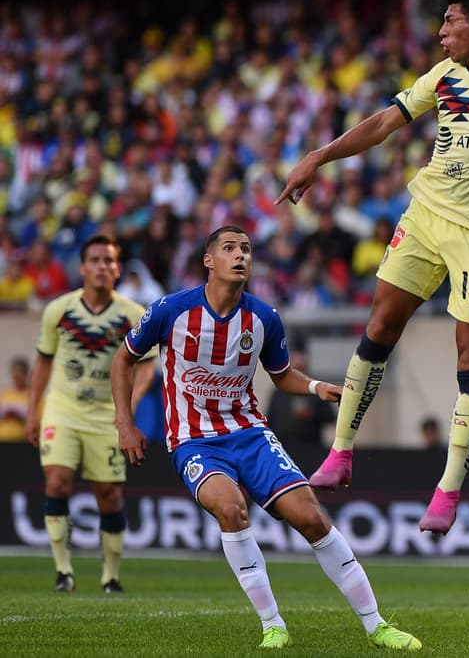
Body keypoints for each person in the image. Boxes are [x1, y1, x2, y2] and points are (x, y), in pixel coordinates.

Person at [275, 0, 469, 535]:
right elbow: (382, 124)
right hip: (423, 219)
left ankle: (447, 488)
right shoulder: (443, 76)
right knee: (379, 326)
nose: (440, 33)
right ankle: (341, 452)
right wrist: (320, 156)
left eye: (449, 22)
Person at [110, 226, 421, 651]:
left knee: (311, 518)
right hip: (194, 439)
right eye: (230, 248)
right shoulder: (170, 310)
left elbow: (281, 375)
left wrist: (316, 388)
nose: (240, 256)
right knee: (230, 507)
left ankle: (376, 624)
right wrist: (126, 423)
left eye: (246, 249)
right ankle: (273, 624)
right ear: (208, 261)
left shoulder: (263, 318)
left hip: (250, 434)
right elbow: (124, 358)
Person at [23, 234, 155, 594]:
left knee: (109, 495)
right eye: (95, 260)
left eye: (109, 261)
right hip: (62, 410)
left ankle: (110, 576)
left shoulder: (132, 315)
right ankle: (63, 572)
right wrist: (33, 412)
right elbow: (43, 364)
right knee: (57, 483)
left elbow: (146, 366)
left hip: (106, 416)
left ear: (117, 269)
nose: (102, 267)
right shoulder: (59, 311)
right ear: (82, 268)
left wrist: (128, 404)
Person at [0, 356, 31, 442]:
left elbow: (39, 420)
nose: (17, 376)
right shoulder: (4, 394)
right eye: (14, 373)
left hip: (24, 441)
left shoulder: (33, 396)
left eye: (20, 373)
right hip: (3, 441)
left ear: (26, 374)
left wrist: (21, 416)